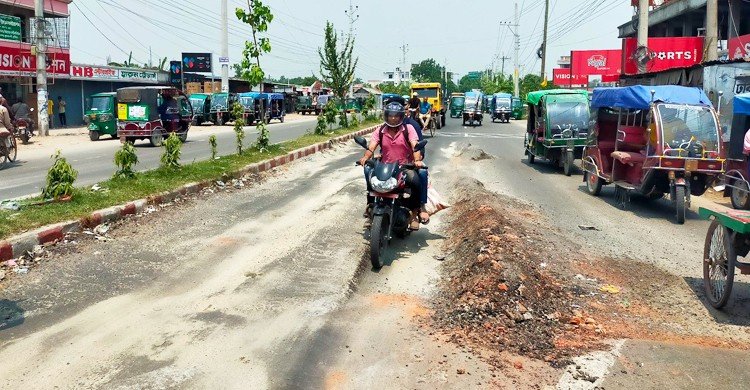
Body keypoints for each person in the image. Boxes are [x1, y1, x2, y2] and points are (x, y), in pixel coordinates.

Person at [358, 101, 429, 230]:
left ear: (401, 116)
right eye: (390, 115)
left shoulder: (408, 129)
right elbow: (372, 146)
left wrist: (417, 160)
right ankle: (370, 206)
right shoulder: (380, 130)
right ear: (386, 116)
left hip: (404, 167)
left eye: (396, 116)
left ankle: (415, 212)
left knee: (418, 178)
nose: (393, 118)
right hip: (385, 166)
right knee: (368, 170)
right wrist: (365, 157)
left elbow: (415, 146)